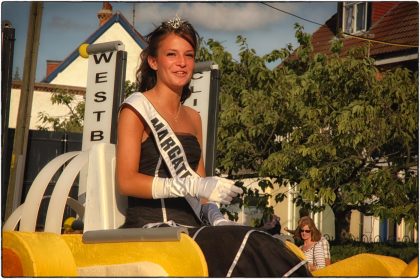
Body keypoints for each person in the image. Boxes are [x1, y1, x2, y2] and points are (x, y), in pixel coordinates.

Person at [116, 15, 310, 277]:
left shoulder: (193, 117)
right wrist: (191, 185)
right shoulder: (135, 109)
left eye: (189, 55)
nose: (182, 63)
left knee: (264, 241)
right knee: (249, 244)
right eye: (171, 54)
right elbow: (126, 181)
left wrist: (214, 214)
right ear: (153, 61)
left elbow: (202, 187)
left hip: (194, 227)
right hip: (151, 228)